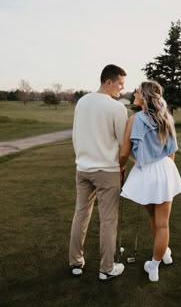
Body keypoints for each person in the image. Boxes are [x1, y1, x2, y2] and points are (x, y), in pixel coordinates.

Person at [119, 80, 181, 282]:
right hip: (165, 169)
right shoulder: (167, 118)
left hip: (145, 173)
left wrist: (121, 165)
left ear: (144, 97)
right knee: (161, 222)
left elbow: (124, 153)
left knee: (156, 220)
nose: (134, 94)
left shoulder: (134, 119)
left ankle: (153, 266)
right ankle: (163, 254)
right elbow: (171, 153)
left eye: (137, 92)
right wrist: (165, 170)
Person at [69, 64, 128, 280]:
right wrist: (123, 164)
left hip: (82, 168)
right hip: (107, 171)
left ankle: (76, 263)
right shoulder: (117, 108)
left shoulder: (82, 102)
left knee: (80, 214)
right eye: (120, 83)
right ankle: (106, 268)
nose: (121, 88)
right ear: (108, 81)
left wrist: (81, 159)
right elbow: (124, 144)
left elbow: (75, 136)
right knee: (108, 220)